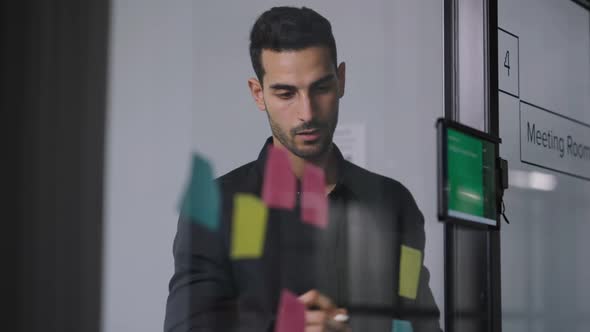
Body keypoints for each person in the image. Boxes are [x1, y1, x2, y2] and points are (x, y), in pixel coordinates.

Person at [165, 6, 441, 332]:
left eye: (320, 88)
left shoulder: (395, 204)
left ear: (340, 80)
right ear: (258, 94)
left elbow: (421, 324)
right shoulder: (213, 206)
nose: (306, 112)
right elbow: (187, 327)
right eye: (286, 93)